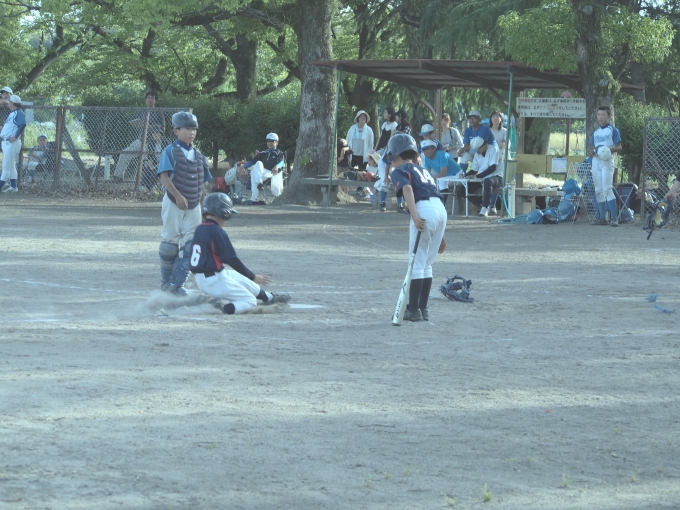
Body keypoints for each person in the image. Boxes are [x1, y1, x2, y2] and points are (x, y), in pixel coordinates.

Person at [189, 193, 290, 314]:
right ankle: (223, 308)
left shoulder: (200, 228)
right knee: (250, 301)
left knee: (239, 278)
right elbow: (232, 260)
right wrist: (253, 276)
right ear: (223, 212)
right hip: (213, 281)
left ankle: (269, 297)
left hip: (205, 278)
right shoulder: (217, 231)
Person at [386, 134, 447, 322]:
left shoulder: (400, 169)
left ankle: (413, 310)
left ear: (396, 154)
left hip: (423, 210)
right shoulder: (423, 169)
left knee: (417, 264)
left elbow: (407, 189)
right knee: (427, 264)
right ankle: (422, 308)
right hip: (440, 211)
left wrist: (415, 217)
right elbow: (434, 195)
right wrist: (440, 235)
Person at [157, 111, 212, 296]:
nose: (191, 132)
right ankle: (165, 283)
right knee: (170, 243)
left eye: (194, 129)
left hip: (194, 205)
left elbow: (201, 184)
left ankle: (177, 284)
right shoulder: (170, 151)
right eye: (187, 129)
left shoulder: (200, 156)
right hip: (173, 202)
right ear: (176, 131)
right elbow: (164, 177)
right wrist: (178, 195)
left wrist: (203, 208)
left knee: (192, 246)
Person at [113, 91, 166, 182]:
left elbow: (163, 129)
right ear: (145, 100)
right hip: (141, 140)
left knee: (147, 162)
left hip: (152, 142)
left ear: (155, 101)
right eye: (148, 98)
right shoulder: (143, 112)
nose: (150, 100)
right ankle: (118, 176)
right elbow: (140, 126)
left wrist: (150, 126)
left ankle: (146, 182)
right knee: (124, 153)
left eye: (152, 98)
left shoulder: (159, 112)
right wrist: (139, 125)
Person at [588, 106, 622, 226]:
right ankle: (602, 217)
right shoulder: (596, 132)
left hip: (607, 161)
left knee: (607, 188)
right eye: (598, 115)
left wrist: (608, 150)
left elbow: (619, 147)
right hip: (596, 161)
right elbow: (593, 147)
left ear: (609, 116)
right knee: (598, 189)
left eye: (603, 115)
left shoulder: (613, 130)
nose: (600, 117)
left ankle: (614, 218)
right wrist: (592, 153)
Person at [459, 136, 502, 217]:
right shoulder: (477, 154)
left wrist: (477, 176)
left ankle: (485, 207)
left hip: (497, 177)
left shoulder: (494, 149)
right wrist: (465, 175)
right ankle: (481, 203)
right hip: (482, 177)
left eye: (477, 149)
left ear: (484, 146)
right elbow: (474, 170)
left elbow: (493, 168)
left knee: (488, 181)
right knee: (462, 190)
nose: (476, 152)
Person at [238, 132, 285, 205]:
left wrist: (277, 166)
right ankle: (258, 185)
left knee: (254, 172)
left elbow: (282, 162)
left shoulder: (279, 153)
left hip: (271, 173)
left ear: (277, 142)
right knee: (257, 164)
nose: (269, 143)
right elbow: (252, 161)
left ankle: (255, 195)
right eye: (268, 141)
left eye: (272, 141)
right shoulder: (263, 152)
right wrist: (243, 166)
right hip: (261, 173)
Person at [0, 95, 26, 193]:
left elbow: (22, 124)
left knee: (6, 167)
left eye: (9, 102)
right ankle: (13, 187)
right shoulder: (13, 113)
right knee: (11, 166)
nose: (8, 103)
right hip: (6, 142)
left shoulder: (18, 112)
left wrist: (15, 136)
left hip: (11, 143)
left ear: (13, 103)